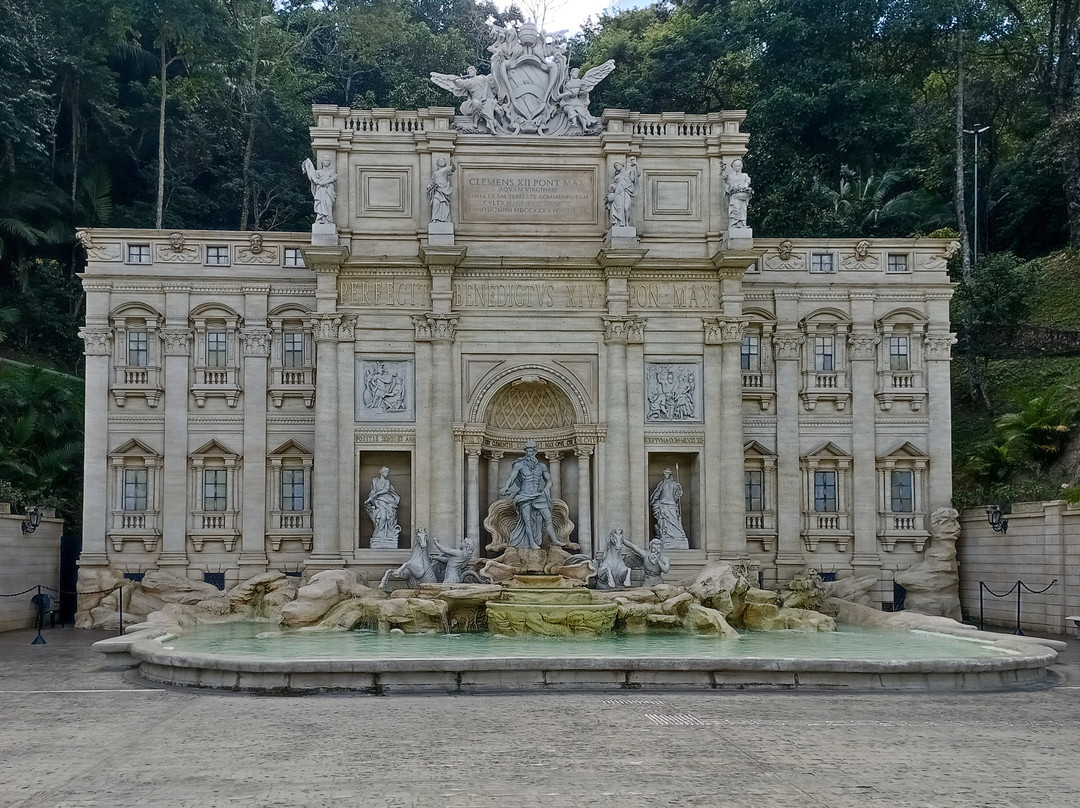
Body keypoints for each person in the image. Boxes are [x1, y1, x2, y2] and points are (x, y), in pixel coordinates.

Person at [499, 440, 563, 550]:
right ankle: (532, 542)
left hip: (538, 495)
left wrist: (546, 489)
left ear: (535, 451)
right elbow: (512, 478)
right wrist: (506, 487)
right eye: (528, 450)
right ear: (525, 451)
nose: (530, 453)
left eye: (532, 450)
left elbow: (549, 480)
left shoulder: (542, 466)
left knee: (548, 518)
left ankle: (555, 540)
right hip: (524, 495)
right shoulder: (519, 465)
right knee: (527, 521)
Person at [650, 468, 688, 550]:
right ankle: (675, 536)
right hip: (670, 505)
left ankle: (673, 536)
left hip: (665, 504)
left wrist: (652, 501)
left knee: (670, 522)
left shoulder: (663, 483)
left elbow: (657, 493)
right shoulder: (674, 484)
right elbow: (677, 496)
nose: (665, 475)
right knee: (672, 522)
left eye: (666, 474)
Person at [363, 467, 400, 545]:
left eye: (387, 472)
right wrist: (370, 499)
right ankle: (378, 534)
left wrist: (376, 494)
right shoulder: (375, 480)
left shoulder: (387, 481)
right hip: (378, 501)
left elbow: (386, 490)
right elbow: (373, 491)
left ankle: (386, 535)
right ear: (380, 472)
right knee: (382, 517)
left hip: (387, 500)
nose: (386, 473)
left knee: (388, 518)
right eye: (385, 471)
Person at [301, 156, 337, 224]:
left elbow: (334, 178)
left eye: (328, 160)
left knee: (328, 204)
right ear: (322, 162)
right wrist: (308, 165)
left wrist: (325, 182)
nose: (326, 161)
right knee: (320, 204)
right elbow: (313, 178)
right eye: (325, 160)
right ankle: (321, 218)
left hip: (328, 190)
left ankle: (329, 219)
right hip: (320, 190)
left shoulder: (331, 172)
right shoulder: (318, 172)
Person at [605, 158, 638, 229]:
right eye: (615, 166)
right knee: (620, 208)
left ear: (622, 165)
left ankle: (627, 223)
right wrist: (612, 187)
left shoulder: (628, 172)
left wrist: (636, 165)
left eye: (617, 165)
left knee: (627, 208)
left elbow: (635, 177)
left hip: (626, 192)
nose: (617, 167)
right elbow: (612, 187)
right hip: (618, 194)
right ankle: (621, 223)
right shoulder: (617, 177)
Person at [723, 158, 752, 230]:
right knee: (736, 210)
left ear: (741, 166)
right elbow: (725, 180)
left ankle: (742, 223)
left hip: (742, 195)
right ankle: (734, 223)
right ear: (733, 166)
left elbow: (746, 184)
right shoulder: (730, 176)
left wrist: (744, 188)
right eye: (736, 165)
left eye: (739, 165)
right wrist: (723, 170)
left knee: (743, 210)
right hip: (735, 196)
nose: (738, 167)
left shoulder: (745, 175)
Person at [427, 158, 455, 224]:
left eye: (443, 161)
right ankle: (434, 218)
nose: (441, 162)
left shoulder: (446, 169)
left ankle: (445, 219)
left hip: (444, 188)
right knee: (436, 203)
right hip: (437, 189)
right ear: (437, 163)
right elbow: (432, 182)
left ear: (445, 163)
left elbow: (453, 169)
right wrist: (429, 186)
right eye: (440, 161)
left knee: (444, 203)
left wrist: (452, 163)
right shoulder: (435, 173)